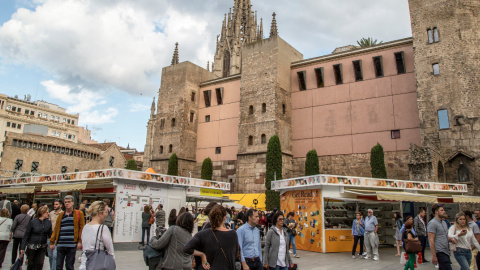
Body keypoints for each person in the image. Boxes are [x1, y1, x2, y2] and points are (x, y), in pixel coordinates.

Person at [184, 205, 240, 270]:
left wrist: (202, 255)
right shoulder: (233, 234)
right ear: (224, 218)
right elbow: (235, 254)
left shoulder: (202, 234)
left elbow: (186, 248)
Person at [50, 195, 85, 270]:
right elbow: (56, 229)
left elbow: (82, 228)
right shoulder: (61, 215)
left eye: (69, 202)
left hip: (71, 244)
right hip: (61, 244)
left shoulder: (79, 213)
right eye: (65, 202)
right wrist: (52, 242)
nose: (67, 204)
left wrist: (80, 241)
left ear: (73, 203)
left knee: (69, 266)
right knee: (58, 266)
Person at [79, 201, 115, 270]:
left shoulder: (85, 227)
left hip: (85, 264)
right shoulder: (103, 228)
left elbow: (85, 247)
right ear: (100, 213)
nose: (107, 214)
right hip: (98, 265)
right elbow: (111, 251)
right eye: (105, 212)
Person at [20, 206, 52, 270]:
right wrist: (22, 248)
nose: (48, 213)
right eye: (46, 212)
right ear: (42, 213)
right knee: (31, 263)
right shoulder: (33, 222)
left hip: (42, 246)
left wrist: (52, 243)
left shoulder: (48, 222)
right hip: (32, 246)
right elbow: (26, 235)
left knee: (40, 263)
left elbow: (50, 234)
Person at [428, 204, 453, 270]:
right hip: (440, 251)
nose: (444, 211)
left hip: (446, 251)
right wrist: (434, 255)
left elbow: (444, 236)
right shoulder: (432, 223)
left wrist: (452, 239)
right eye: (442, 210)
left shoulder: (444, 223)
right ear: (436, 212)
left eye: (443, 210)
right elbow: (431, 240)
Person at [48, 199, 63, 270]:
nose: (55, 205)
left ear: (60, 205)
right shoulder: (51, 213)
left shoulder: (63, 213)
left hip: (59, 237)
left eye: (56, 204)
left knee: (55, 256)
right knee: (50, 256)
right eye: (54, 204)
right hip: (51, 236)